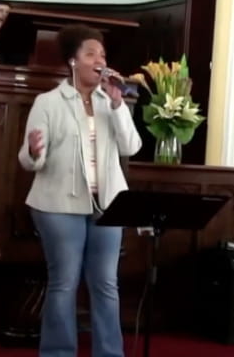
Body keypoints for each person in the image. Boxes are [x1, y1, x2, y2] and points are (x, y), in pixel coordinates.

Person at [18, 24, 142, 357]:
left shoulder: (111, 102)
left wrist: (119, 106)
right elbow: (29, 161)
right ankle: (58, 353)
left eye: (102, 54)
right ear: (73, 61)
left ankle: (109, 353)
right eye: (91, 53)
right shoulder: (48, 102)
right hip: (57, 205)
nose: (99, 59)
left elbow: (131, 146)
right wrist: (33, 149)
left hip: (109, 206)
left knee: (106, 285)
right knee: (65, 283)